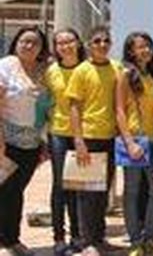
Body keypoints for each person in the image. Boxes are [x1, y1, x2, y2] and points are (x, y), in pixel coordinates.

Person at [66, 26, 120, 256]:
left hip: (109, 139)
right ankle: (87, 242)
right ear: (89, 44)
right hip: (88, 138)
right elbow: (74, 107)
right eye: (97, 41)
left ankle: (99, 239)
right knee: (86, 194)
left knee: (102, 192)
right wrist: (78, 140)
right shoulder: (81, 70)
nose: (102, 45)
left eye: (106, 41)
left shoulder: (116, 68)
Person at [0, 26, 50, 256]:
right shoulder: (6, 66)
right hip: (6, 140)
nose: (29, 46)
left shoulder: (44, 71)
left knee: (16, 190)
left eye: (35, 42)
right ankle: (11, 240)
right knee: (8, 191)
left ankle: (8, 237)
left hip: (32, 142)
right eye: (24, 41)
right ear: (16, 43)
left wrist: (45, 143)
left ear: (41, 48)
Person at [115, 32, 153, 256]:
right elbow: (119, 110)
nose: (145, 50)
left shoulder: (151, 75)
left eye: (148, 46)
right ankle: (135, 242)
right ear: (131, 51)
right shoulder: (125, 74)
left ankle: (150, 237)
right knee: (132, 192)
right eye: (140, 47)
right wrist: (128, 142)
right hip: (134, 140)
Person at [46, 28, 86, 256]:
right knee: (61, 185)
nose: (65, 46)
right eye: (60, 43)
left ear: (78, 43)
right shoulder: (51, 71)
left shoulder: (87, 68)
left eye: (69, 41)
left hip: (86, 134)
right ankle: (59, 237)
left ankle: (78, 234)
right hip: (59, 132)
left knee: (79, 186)